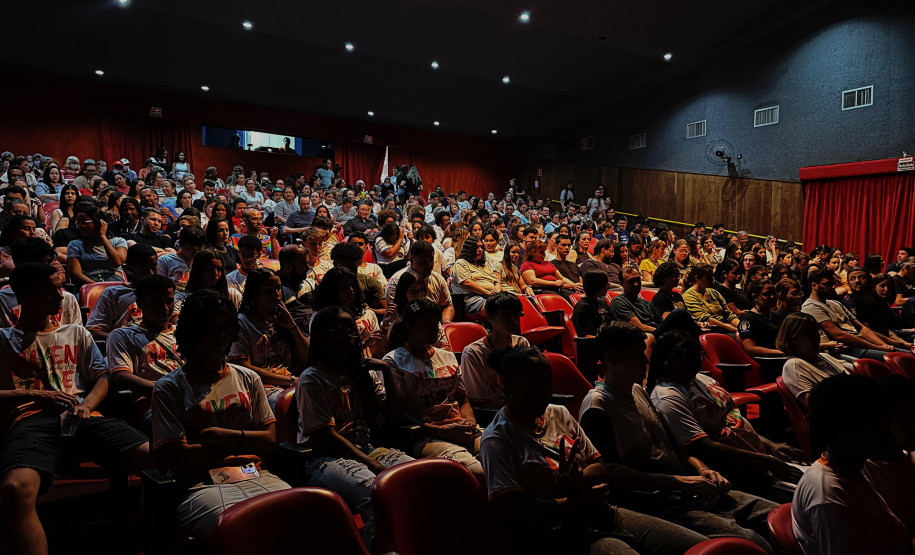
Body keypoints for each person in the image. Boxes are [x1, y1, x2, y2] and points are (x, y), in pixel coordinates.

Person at [480, 344, 705, 555]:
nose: (546, 391)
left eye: (549, 383)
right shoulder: (497, 439)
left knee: (699, 546)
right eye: (535, 384)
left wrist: (577, 481)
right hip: (559, 535)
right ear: (508, 385)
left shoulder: (559, 414)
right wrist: (571, 500)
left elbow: (599, 466)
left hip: (600, 512)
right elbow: (512, 509)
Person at [579, 322, 777, 551]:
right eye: (637, 356)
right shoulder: (597, 405)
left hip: (688, 488)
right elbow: (610, 473)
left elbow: (674, 446)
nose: (645, 362)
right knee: (752, 542)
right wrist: (679, 482)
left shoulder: (637, 390)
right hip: (655, 502)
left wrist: (702, 469)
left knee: (775, 513)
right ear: (612, 359)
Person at [0, 264, 149, 554]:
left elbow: (102, 377)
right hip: (31, 419)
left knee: (158, 458)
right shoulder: (4, 339)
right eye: (52, 289)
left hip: (84, 415)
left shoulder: (76, 332)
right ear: (26, 295)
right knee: (14, 489)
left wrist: (87, 406)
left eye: (61, 287)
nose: (62, 294)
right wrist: (34, 395)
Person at [150, 290, 290, 538]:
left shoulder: (248, 378)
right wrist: (242, 440)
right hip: (201, 485)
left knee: (301, 522)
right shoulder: (170, 387)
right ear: (193, 331)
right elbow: (178, 460)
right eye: (210, 327)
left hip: (254, 473)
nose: (221, 335)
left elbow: (271, 441)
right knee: (245, 532)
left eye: (226, 326)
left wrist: (211, 434)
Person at [296, 306, 414, 548]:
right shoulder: (312, 378)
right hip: (326, 458)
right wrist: (370, 463)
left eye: (350, 330)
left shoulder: (361, 373)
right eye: (337, 330)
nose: (346, 336)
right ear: (322, 337)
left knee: (418, 478)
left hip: (367, 448)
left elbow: (393, 415)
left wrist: (385, 370)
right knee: (377, 494)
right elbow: (326, 437)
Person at [648, 331, 804, 501]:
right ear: (665, 359)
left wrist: (770, 445)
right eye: (686, 354)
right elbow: (704, 447)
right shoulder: (667, 398)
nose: (695, 360)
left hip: (757, 462)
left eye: (698, 354)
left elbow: (734, 420)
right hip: (735, 473)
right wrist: (766, 461)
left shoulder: (701, 379)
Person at [792, 375, 909, 555]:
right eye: (880, 425)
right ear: (847, 432)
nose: (892, 434)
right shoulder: (828, 499)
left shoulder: (851, 470)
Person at [383, 298, 484, 480]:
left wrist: (470, 420)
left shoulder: (447, 356)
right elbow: (397, 415)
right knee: (476, 472)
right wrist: (441, 431)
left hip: (461, 429)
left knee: (504, 455)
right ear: (408, 325)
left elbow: (462, 399)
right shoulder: (394, 361)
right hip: (425, 436)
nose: (434, 329)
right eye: (426, 324)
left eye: (435, 324)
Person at [227, 268, 308, 409]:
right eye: (268, 290)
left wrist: (292, 326)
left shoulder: (280, 319)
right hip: (261, 386)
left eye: (278, 289)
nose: (276, 294)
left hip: (288, 379)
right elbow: (244, 368)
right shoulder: (242, 324)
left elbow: (308, 357)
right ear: (254, 294)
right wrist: (291, 381)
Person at [107, 274, 182, 397]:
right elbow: (121, 377)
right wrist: (168, 391)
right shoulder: (123, 335)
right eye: (156, 303)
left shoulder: (183, 333)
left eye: (169, 302)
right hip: (153, 401)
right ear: (140, 304)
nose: (164, 308)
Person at [802, 268, 898, 360]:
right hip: (850, 349)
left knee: (903, 353)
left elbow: (861, 328)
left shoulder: (835, 303)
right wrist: (878, 347)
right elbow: (839, 335)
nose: (832, 288)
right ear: (814, 285)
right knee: (897, 357)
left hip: (863, 345)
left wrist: (884, 345)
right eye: (828, 284)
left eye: (833, 284)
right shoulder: (811, 306)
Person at [460, 293, 530, 410]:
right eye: (505, 315)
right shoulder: (474, 352)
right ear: (490, 318)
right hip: (492, 416)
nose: (513, 320)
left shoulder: (521, 343)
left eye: (516, 315)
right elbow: (478, 402)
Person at [777, 312, 848, 408]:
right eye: (808, 333)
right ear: (793, 338)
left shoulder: (824, 356)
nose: (815, 337)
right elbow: (815, 407)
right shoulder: (794, 365)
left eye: (816, 331)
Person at [611, 266, 702, 338]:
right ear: (622, 284)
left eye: (638, 280)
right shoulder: (618, 302)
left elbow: (661, 321)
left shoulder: (645, 303)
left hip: (659, 333)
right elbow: (639, 327)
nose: (636, 284)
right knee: (678, 313)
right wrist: (665, 331)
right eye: (631, 281)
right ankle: (701, 335)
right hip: (645, 336)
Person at [312, 267, 384, 357]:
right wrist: (363, 344)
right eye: (344, 287)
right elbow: (327, 356)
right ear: (331, 290)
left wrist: (386, 326)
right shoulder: (321, 318)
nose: (351, 290)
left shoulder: (367, 314)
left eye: (353, 285)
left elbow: (375, 352)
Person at [67, 204, 128, 285]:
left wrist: (103, 237)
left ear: (99, 222)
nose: (80, 226)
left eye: (84, 221)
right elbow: (76, 274)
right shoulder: (75, 245)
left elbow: (117, 262)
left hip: (113, 280)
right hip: (88, 282)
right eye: (78, 222)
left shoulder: (118, 241)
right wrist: (96, 286)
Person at [451, 236, 501, 315]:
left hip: (491, 296)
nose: (480, 250)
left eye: (481, 247)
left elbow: (496, 282)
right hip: (471, 298)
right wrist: (487, 293)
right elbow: (466, 283)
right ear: (469, 249)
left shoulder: (485, 264)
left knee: (511, 303)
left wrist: (497, 292)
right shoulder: (461, 263)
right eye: (476, 247)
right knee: (495, 308)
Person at [738, 279, 786, 357]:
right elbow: (750, 349)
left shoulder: (776, 316)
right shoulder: (748, 319)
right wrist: (781, 353)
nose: (772, 297)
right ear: (755, 296)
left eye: (773, 293)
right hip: (766, 360)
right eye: (766, 294)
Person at [276, 244, 316, 332]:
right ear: (288, 267)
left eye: (308, 264)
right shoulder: (275, 290)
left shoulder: (311, 284)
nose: (308, 268)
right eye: (303, 265)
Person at [156, 225, 205, 291]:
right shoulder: (165, 260)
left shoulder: (203, 261)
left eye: (199, 249)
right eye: (190, 249)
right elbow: (160, 287)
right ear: (180, 244)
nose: (195, 253)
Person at [571, 270, 613, 337]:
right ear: (599, 287)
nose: (607, 287)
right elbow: (587, 336)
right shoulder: (582, 307)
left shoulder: (601, 302)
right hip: (594, 344)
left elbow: (612, 323)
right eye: (606, 285)